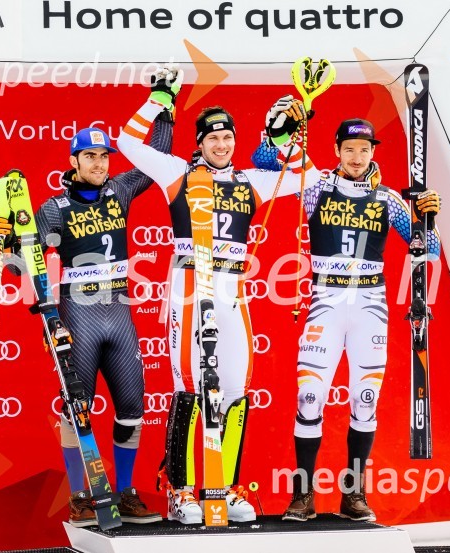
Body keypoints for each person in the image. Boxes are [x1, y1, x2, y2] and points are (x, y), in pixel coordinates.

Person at [117, 75, 320, 524]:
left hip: (232, 290)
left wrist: (283, 135)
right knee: (191, 388)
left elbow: (308, 175)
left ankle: (222, 485)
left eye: (228, 136)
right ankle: (181, 490)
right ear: (201, 142)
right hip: (191, 286)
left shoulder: (252, 181)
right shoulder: (178, 174)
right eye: (213, 137)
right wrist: (157, 101)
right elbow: (126, 142)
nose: (222, 144)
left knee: (234, 389)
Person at [0, 84, 178, 526]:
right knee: (77, 408)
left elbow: (157, 161)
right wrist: (7, 240)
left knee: (133, 405)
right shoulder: (54, 209)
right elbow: (23, 268)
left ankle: (126, 492)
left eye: (104, 156)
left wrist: (165, 107)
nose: (99, 163)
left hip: (119, 314)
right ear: (74, 161)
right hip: (79, 315)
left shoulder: (121, 191)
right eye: (90, 157)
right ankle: (81, 496)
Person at [251, 116, 441, 522]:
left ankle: (353, 496)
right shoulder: (315, 184)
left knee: (365, 403)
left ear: (373, 151)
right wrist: (279, 127)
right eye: (350, 149)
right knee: (309, 398)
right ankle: (302, 496)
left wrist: (429, 216)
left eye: (365, 149)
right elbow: (264, 158)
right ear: (337, 149)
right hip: (327, 301)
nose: (357, 157)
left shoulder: (389, 199)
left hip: (371, 306)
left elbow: (429, 250)